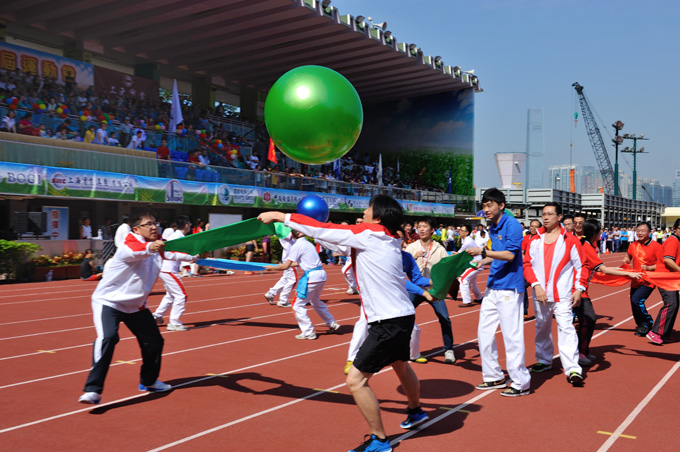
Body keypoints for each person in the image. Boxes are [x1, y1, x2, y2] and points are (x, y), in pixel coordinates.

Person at [258, 195, 427, 452]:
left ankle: (380, 441)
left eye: (368, 209)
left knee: (356, 381)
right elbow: (333, 239)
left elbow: (325, 229)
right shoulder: (387, 238)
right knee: (401, 366)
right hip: (402, 316)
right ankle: (415, 411)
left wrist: (280, 216)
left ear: (378, 217)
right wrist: (307, 230)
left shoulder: (369, 234)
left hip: (388, 321)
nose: (363, 213)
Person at [78, 209, 197, 405]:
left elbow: (174, 254)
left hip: (136, 306)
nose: (154, 227)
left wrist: (195, 255)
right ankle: (93, 390)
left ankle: (149, 381)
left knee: (154, 342)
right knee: (108, 337)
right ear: (136, 229)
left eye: (155, 223)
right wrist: (152, 246)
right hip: (109, 302)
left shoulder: (158, 246)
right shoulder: (128, 245)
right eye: (148, 224)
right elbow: (138, 251)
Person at [465, 188, 531, 397]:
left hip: (509, 288)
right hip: (493, 286)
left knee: (512, 336)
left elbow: (510, 255)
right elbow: (496, 254)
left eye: (490, 205)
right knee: (484, 333)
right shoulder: (492, 227)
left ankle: (520, 382)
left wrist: (482, 252)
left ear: (501, 205)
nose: (486, 209)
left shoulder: (512, 225)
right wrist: (481, 261)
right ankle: (494, 376)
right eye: (484, 206)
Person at [523, 202, 586, 387]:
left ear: (559, 217)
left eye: (550, 214)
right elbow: (527, 264)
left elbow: (582, 265)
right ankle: (544, 360)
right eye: (544, 214)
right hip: (540, 294)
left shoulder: (570, 240)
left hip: (563, 294)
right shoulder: (535, 239)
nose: (545, 217)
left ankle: (573, 369)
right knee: (542, 327)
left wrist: (579, 289)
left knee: (566, 328)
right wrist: (536, 286)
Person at [577, 219, 642, 365]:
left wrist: (622, 270)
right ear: (594, 233)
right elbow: (604, 270)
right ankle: (579, 352)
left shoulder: (588, 245)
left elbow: (601, 267)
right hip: (576, 290)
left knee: (588, 320)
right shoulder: (586, 247)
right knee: (588, 320)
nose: (601, 232)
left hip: (581, 288)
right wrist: (628, 274)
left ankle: (583, 350)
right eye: (600, 230)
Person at [265, 230, 339, 339]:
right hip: (321, 275)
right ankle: (331, 323)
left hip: (311, 277)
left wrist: (273, 268)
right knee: (316, 301)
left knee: (297, 305)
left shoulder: (297, 246)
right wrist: (279, 265)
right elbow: (298, 263)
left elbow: (286, 266)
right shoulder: (308, 244)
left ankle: (308, 332)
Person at [404, 216, 456, 364]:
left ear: (432, 229)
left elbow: (446, 269)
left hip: (434, 289)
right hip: (415, 289)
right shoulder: (411, 248)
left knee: (444, 318)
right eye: (419, 226)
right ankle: (404, 348)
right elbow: (403, 268)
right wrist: (414, 257)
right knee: (403, 316)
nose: (421, 229)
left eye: (425, 226)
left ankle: (449, 349)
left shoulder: (439, 249)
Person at [153, 216, 195, 331]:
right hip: (168, 269)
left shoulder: (178, 236)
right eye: (190, 223)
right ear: (186, 225)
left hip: (166, 269)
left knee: (171, 295)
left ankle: (157, 315)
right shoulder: (177, 237)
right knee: (181, 295)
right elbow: (175, 254)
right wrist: (193, 257)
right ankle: (174, 322)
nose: (190, 226)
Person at [622, 222, 661, 337]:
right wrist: (626, 260)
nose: (640, 233)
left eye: (643, 231)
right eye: (638, 230)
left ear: (649, 232)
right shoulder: (633, 245)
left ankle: (647, 322)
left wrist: (650, 268)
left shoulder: (656, 246)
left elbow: (662, 264)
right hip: (635, 278)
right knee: (633, 302)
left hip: (648, 280)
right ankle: (641, 324)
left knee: (637, 300)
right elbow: (628, 255)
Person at [646, 219, 680, 345]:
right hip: (665, 277)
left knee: (674, 304)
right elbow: (668, 260)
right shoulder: (672, 241)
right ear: (675, 229)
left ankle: (665, 333)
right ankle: (655, 332)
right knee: (671, 304)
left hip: (671, 278)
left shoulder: (677, 241)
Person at [264, 231, 297, 308]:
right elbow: (294, 234)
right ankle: (283, 300)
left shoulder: (284, 230)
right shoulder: (283, 231)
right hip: (290, 259)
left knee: (285, 279)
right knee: (293, 280)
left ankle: (271, 293)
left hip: (288, 258)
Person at [456, 224, 484, 308]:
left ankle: (467, 301)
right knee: (472, 282)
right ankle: (479, 298)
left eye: (462, 230)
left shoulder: (468, 242)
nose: (459, 232)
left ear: (467, 233)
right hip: (473, 263)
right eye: (460, 230)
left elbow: (458, 254)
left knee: (462, 279)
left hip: (476, 264)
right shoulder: (465, 240)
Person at [521, 219, 541, 319]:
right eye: (532, 226)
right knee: (522, 287)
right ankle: (524, 310)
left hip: (539, 268)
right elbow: (522, 253)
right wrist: (527, 264)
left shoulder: (543, 238)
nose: (533, 228)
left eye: (536, 227)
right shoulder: (526, 238)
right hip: (527, 267)